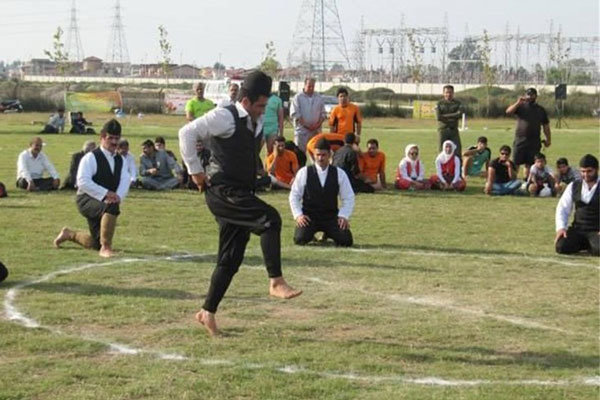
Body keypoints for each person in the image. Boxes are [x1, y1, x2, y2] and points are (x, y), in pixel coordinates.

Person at [178, 70, 302, 336]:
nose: (262, 111)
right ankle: (276, 281)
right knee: (271, 219)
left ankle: (207, 312)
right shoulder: (224, 116)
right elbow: (186, 132)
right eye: (259, 105)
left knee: (230, 258)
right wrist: (195, 171)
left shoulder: (255, 122)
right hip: (222, 191)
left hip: (241, 191)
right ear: (245, 101)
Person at [53, 119, 130, 258]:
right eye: (110, 138)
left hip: (106, 200)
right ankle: (106, 248)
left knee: (95, 243)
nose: (114, 142)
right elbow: (82, 181)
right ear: (102, 138)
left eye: (116, 138)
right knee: (112, 207)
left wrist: (118, 196)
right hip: (86, 199)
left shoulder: (121, 160)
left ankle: (69, 234)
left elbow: (125, 180)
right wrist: (106, 194)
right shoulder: (90, 158)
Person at [290, 138, 355, 247]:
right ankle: (310, 234)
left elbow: (348, 197)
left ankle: (328, 233)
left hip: (330, 217)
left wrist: (343, 216)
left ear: (330, 154)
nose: (320, 158)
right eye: (317, 155)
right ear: (314, 155)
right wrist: (298, 215)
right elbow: (294, 195)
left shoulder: (339, 173)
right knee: (300, 239)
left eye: (323, 155)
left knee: (346, 241)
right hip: (309, 217)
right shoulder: (304, 172)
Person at [555, 154, 599, 256]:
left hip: (596, 230)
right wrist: (561, 228)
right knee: (561, 247)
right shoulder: (573, 186)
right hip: (578, 229)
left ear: (597, 170)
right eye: (583, 171)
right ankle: (588, 245)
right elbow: (563, 208)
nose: (586, 175)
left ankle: (592, 245)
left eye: (589, 171)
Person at [505, 87, 551, 178]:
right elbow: (508, 112)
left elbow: (546, 126)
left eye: (532, 95)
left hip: (534, 140)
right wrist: (518, 102)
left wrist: (548, 139)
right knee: (516, 163)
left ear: (536, 96)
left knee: (529, 164)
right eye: (528, 94)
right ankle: (513, 182)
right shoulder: (520, 107)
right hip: (520, 139)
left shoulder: (540, 110)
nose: (530, 97)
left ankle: (527, 182)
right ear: (525, 95)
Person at [290, 77, 326, 153]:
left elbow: (323, 114)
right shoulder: (297, 97)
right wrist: (306, 125)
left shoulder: (319, 97)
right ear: (305, 85)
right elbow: (295, 114)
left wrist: (317, 125)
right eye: (309, 86)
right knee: (300, 154)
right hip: (302, 131)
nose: (311, 88)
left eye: (313, 86)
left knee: (316, 153)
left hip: (315, 131)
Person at [435, 85, 463, 157]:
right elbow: (438, 117)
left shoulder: (457, 103)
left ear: (453, 93)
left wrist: (444, 116)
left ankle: (458, 167)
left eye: (450, 92)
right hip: (443, 130)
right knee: (441, 150)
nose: (448, 94)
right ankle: (441, 167)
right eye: (446, 92)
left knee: (457, 150)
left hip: (453, 130)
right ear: (443, 93)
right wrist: (453, 116)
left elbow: (459, 115)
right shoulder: (439, 103)